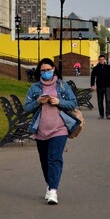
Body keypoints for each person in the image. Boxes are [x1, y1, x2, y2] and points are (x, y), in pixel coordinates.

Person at [23, 58, 79, 205]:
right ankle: (50, 183)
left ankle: (53, 190)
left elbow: (73, 103)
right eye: (43, 70)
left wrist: (59, 101)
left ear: (53, 69)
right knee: (44, 160)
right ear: (39, 72)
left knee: (55, 158)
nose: (46, 72)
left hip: (59, 129)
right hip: (40, 130)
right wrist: (38, 102)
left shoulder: (62, 86)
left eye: (48, 70)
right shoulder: (34, 88)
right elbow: (27, 107)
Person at [90, 54, 110, 119]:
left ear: (105, 60)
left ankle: (108, 114)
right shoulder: (96, 68)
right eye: (100, 59)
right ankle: (101, 114)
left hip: (107, 86)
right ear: (98, 60)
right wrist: (92, 85)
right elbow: (93, 77)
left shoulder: (108, 67)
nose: (101, 60)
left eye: (103, 59)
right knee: (100, 101)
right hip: (99, 87)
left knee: (108, 100)